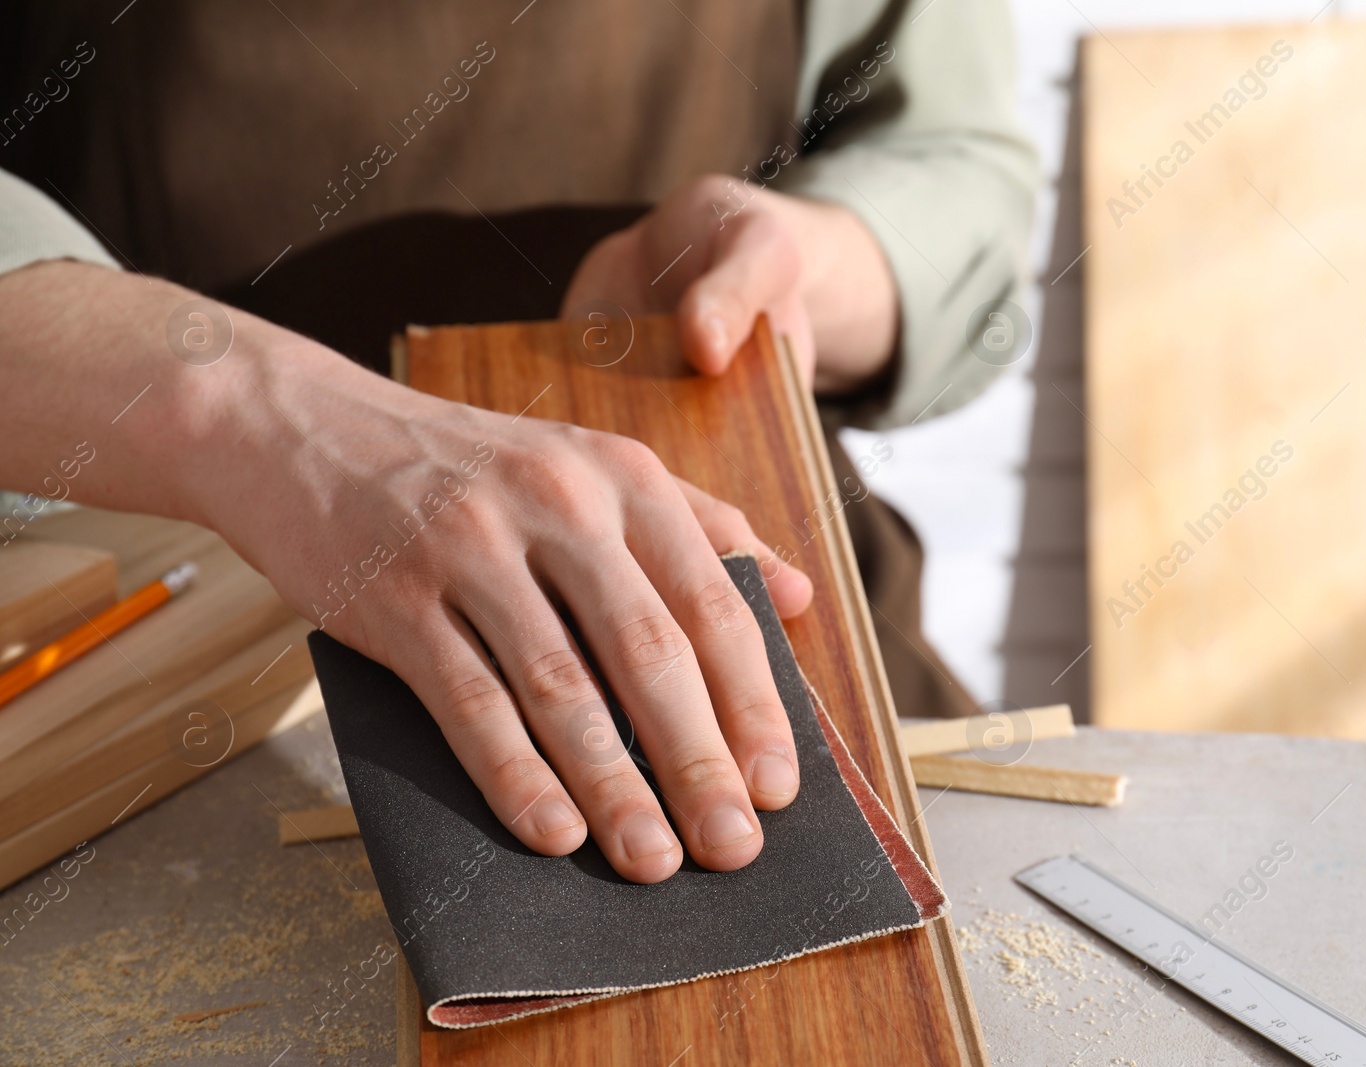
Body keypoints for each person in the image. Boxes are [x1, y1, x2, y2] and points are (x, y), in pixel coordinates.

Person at [0, 0, 1036, 884]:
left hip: (706, 531)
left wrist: (810, 259)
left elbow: (953, 157)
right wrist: (241, 410)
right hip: (142, 565)